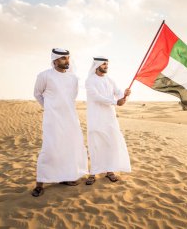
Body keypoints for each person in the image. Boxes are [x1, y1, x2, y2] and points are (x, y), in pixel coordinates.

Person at [32, 48, 88, 197]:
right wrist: (49, 108)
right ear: (55, 61)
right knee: (49, 149)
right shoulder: (44, 76)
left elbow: (71, 97)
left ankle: (65, 177)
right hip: (52, 120)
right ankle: (40, 183)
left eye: (68, 58)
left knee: (69, 148)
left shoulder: (73, 78)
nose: (67, 61)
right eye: (63, 58)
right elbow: (37, 94)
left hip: (70, 119)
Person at [85, 56, 131, 185]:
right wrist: (115, 101)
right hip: (95, 117)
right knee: (95, 143)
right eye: (104, 64)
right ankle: (93, 173)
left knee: (111, 142)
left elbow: (119, 94)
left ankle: (109, 171)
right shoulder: (90, 80)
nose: (106, 66)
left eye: (107, 64)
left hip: (109, 117)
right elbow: (96, 97)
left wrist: (125, 94)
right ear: (97, 65)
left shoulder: (110, 80)